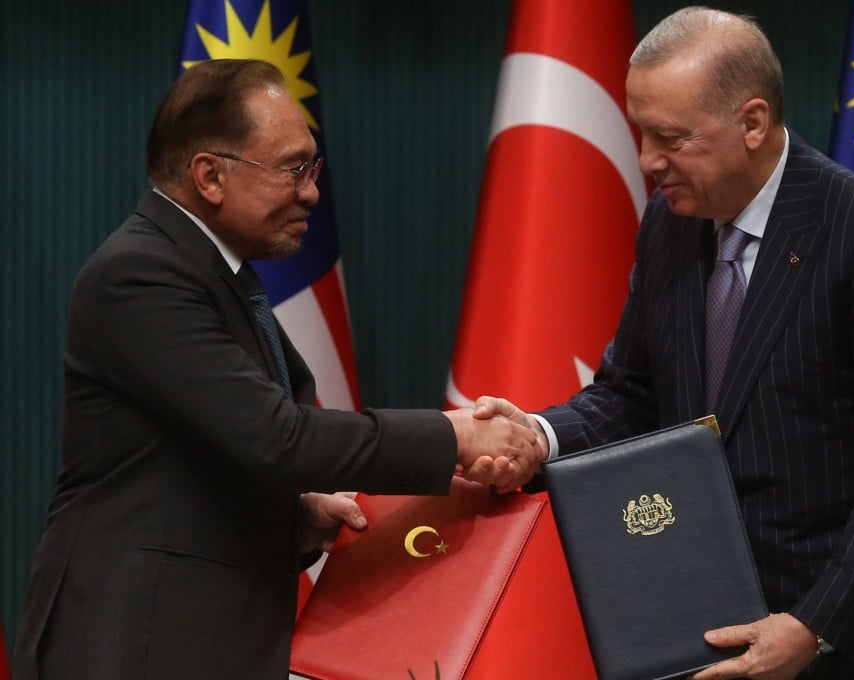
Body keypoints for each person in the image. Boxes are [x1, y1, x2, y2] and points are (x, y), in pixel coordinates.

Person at [477, 7, 854, 679]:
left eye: (668, 137)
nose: (647, 161)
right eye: (641, 133)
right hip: (717, 631)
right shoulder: (671, 224)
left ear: (753, 123)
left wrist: (814, 624)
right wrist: (535, 434)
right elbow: (633, 394)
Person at [13, 59, 539, 680]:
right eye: (293, 168)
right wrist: (457, 435)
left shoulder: (215, 272)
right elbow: (275, 437)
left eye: (311, 168)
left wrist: (291, 517)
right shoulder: (142, 275)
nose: (312, 191)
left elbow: (196, 459)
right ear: (209, 175)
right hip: (137, 644)